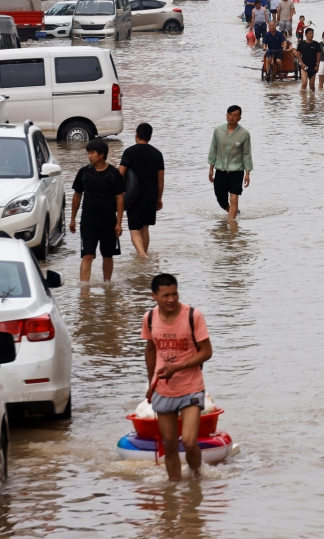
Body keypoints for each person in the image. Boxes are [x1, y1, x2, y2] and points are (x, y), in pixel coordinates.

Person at [143, 274, 213, 481]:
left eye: (175, 294)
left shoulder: (193, 315)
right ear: (154, 296)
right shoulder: (149, 319)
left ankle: (196, 479)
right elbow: (150, 351)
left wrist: (179, 366)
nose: (171, 299)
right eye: (166, 295)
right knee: (170, 443)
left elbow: (206, 351)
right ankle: (173, 489)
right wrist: (151, 383)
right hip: (163, 389)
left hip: (191, 386)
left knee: (190, 441)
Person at [69, 139, 124, 281]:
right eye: (88, 153)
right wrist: (72, 219)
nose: (89, 156)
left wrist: (119, 222)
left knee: (108, 255)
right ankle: (84, 290)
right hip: (88, 221)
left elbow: (120, 199)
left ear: (101, 155)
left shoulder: (113, 174)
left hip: (108, 221)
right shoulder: (84, 173)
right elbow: (77, 195)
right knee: (88, 255)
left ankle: (107, 286)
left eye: (92, 153)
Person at [119, 123, 164, 258]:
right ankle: (144, 255)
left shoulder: (129, 152)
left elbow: (121, 173)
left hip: (134, 196)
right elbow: (160, 180)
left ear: (136, 135)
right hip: (151, 195)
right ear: (150, 137)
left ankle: (142, 254)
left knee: (134, 229)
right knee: (145, 228)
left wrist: (118, 191)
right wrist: (159, 198)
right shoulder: (157, 154)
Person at [207, 105, 253, 220]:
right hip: (220, 170)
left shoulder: (244, 134)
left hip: (236, 171)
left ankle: (232, 228)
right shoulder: (218, 131)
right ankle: (232, 212)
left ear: (239, 118)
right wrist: (211, 169)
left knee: (234, 198)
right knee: (221, 199)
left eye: (235, 115)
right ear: (226, 115)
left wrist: (247, 173)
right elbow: (213, 150)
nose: (232, 117)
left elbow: (247, 154)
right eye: (230, 114)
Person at [296, 27, 322, 93]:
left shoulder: (316, 44)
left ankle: (312, 100)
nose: (311, 35)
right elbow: (297, 54)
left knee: (312, 85)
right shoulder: (301, 44)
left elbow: (318, 55)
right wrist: (301, 63)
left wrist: (318, 65)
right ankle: (303, 100)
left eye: (312, 33)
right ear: (306, 35)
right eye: (310, 33)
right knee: (304, 83)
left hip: (313, 66)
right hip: (304, 66)